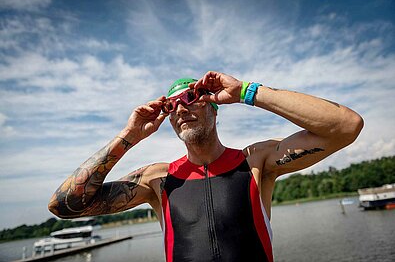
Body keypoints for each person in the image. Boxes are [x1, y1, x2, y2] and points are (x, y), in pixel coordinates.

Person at [48, 71, 363, 262]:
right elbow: (64, 206)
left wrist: (246, 92)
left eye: (193, 99)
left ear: (215, 108)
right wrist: (128, 136)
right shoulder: (158, 180)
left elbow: (346, 126)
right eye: (173, 106)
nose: (182, 109)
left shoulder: (256, 161)